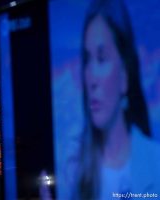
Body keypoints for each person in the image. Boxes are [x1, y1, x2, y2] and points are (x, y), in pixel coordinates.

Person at [74, 0, 160, 199]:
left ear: (124, 75)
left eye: (102, 58)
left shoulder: (156, 163)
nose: (91, 79)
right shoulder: (75, 175)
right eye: (87, 60)